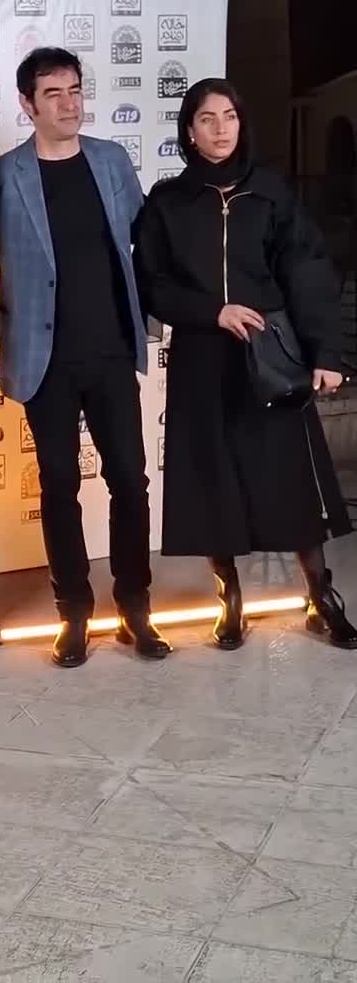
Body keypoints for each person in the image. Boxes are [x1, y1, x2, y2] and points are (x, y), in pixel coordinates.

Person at [135, 77, 357, 649]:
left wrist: (325, 352)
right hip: (203, 358)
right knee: (213, 478)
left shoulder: (271, 193)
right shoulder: (168, 202)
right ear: (189, 131)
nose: (221, 129)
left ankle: (321, 596)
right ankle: (228, 598)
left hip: (271, 356)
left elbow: (307, 271)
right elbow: (152, 284)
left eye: (229, 117)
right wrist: (212, 311)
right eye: (207, 119)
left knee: (292, 480)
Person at [0, 46, 171, 667]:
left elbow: (146, 241)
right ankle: (73, 611)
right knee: (60, 485)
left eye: (74, 90)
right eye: (53, 94)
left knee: (130, 480)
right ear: (27, 104)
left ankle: (135, 607)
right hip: (44, 359)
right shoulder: (6, 174)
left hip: (112, 348)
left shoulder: (111, 160)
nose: (69, 104)